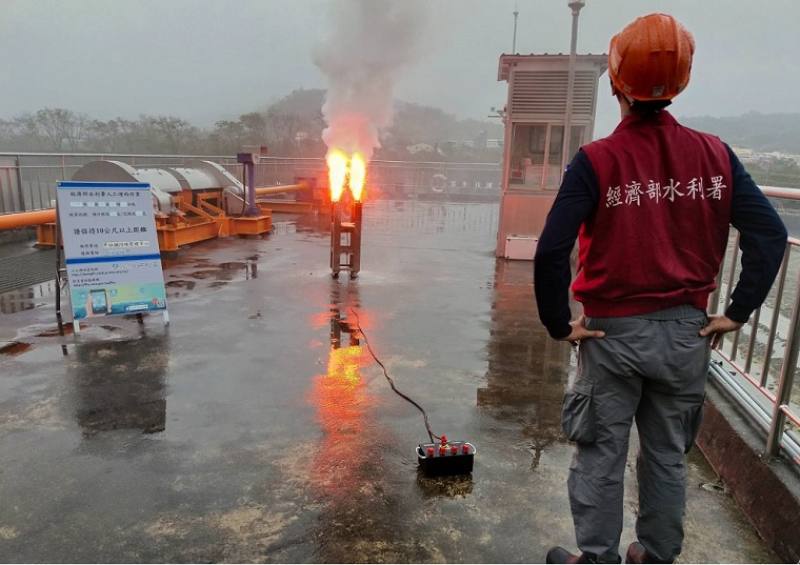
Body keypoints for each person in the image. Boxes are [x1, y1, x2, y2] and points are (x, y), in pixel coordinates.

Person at [534, 13, 788, 565]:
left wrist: (560, 323)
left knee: (601, 454)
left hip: (611, 333)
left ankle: (596, 557)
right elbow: (769, 233)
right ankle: (654, 555)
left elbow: (552, 249)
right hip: (685, 332)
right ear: (681, 83)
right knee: (668, 455)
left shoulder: (598, 161)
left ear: (616, 82)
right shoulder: (715, 156)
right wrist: (737, 312)